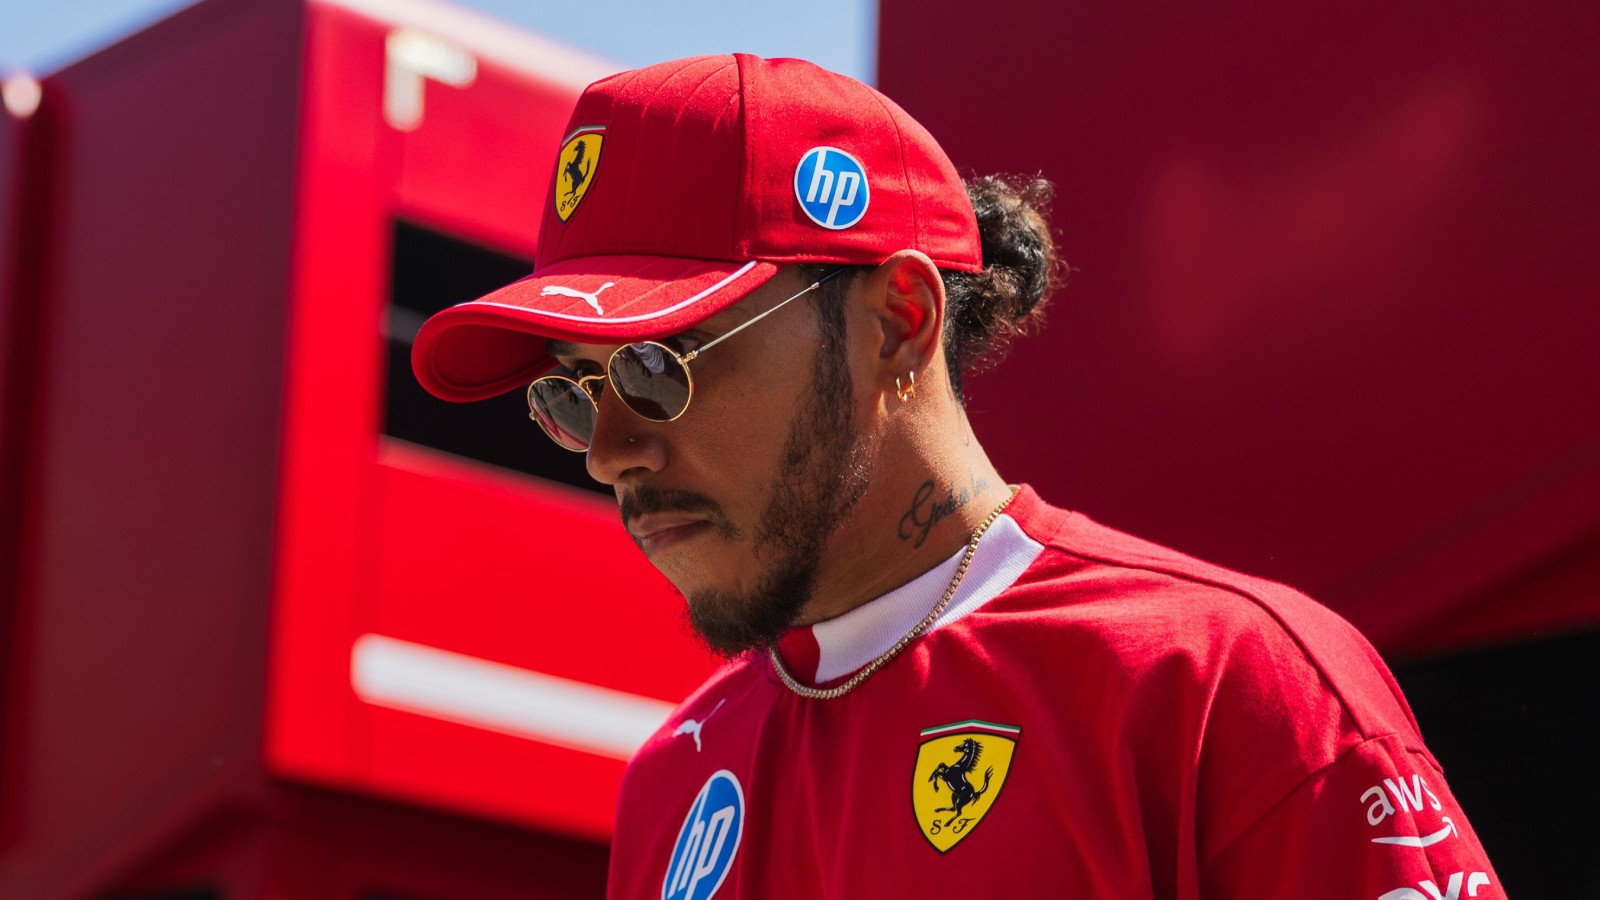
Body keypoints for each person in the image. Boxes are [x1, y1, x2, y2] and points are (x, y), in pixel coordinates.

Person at [412, 54, 1500, 899]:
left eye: (658, 367)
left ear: (899, 320)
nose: (609, 452)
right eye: (571, 391)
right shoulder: (672, 783)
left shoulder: (1223, 681)